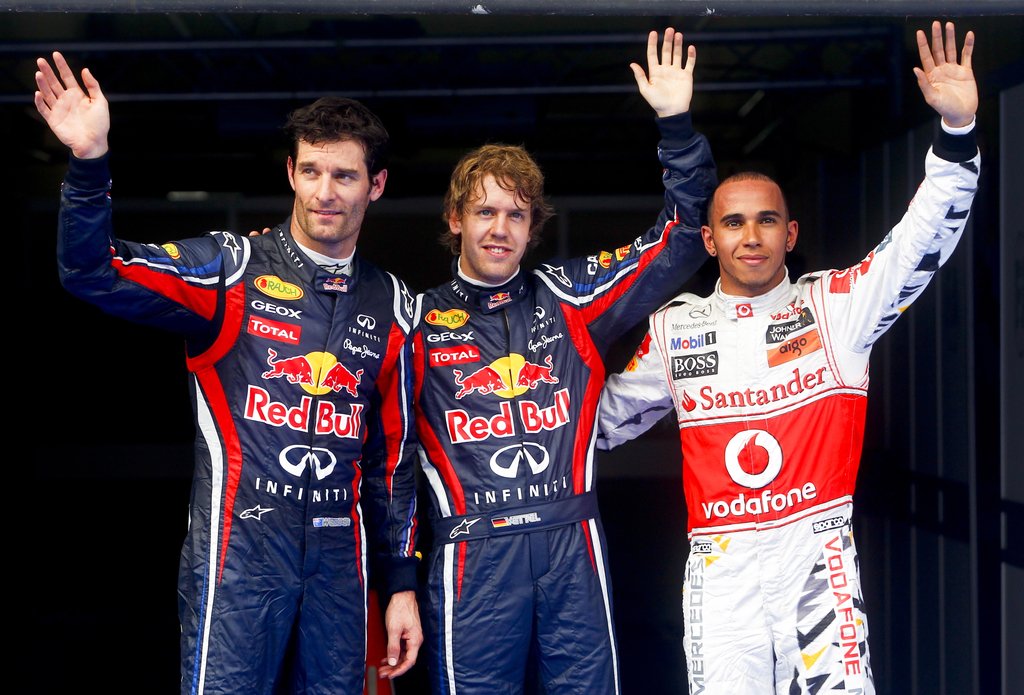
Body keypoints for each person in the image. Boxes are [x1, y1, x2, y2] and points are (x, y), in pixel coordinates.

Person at [596, 20, 979, 694]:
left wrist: (957, 133)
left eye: (767, 220)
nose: (751, 236)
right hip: (720, 564)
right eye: (733, 222)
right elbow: (593, 424)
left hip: (817, 555)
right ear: (709, 240)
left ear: (790, 233)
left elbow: (918, 243)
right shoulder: (675, 329)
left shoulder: (836, 307)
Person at [34, 52, 422, 694]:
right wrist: (89, 160)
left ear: (375, 185)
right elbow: (92, 272)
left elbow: (393, 463)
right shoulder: (230, 270)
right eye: (312, 171)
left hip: (340, 567)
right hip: (239, 557)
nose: (325, 192)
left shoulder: (395, 304)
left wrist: (400, 585)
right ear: (291, 173)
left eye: (345, 176)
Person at [410, 28, 717, 694]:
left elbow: (684, 238)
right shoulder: (413, 321)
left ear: (534, 227)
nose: (500, 228)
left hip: (571, 543)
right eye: (485, 211)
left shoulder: (570, 295)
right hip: (471, 552)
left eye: (516, 215)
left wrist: (676, 126)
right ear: (455, 219)